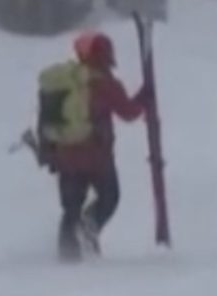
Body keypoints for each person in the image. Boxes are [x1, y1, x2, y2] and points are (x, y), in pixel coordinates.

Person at [35, 30, 151, 261]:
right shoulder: (104, 83)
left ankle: (67, 260)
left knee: (70, 210)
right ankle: (89, 228)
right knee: (109, 198)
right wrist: (144, 97)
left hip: (66, 156)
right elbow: (129, 112)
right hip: (97, 157)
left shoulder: (65, 82)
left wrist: (49, 150)